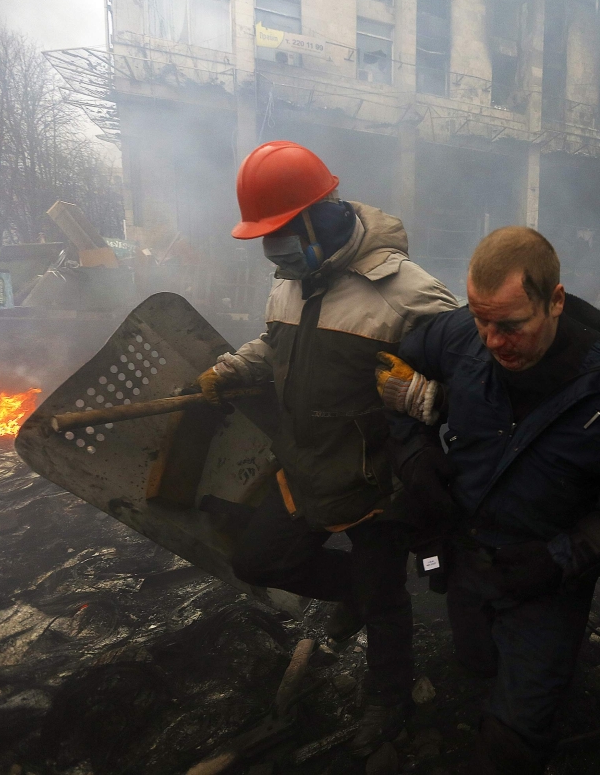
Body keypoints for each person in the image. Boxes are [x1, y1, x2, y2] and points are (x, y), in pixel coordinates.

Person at [377, 227, 600, 774]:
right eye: (480, 319)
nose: (492, 340)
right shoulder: (458, 338)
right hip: (464, 553)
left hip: (546, 582)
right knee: (476, 660)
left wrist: (560, 559)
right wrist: (414, 453)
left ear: (555, 301)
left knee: (514, 741)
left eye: (510, 325)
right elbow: (388, 369)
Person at [197, 140, 458, 755]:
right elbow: (275, 345)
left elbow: (471, 388)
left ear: (322, 214)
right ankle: (362, 595)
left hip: (377, 480)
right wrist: (236, 369)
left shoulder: (408, 293)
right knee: (258, 561)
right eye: (266, 236)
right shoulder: (291, 281)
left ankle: (387, 700)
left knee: (387, 601)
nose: (273, 249)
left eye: (282, 232)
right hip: (306, 464)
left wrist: (419, 394)